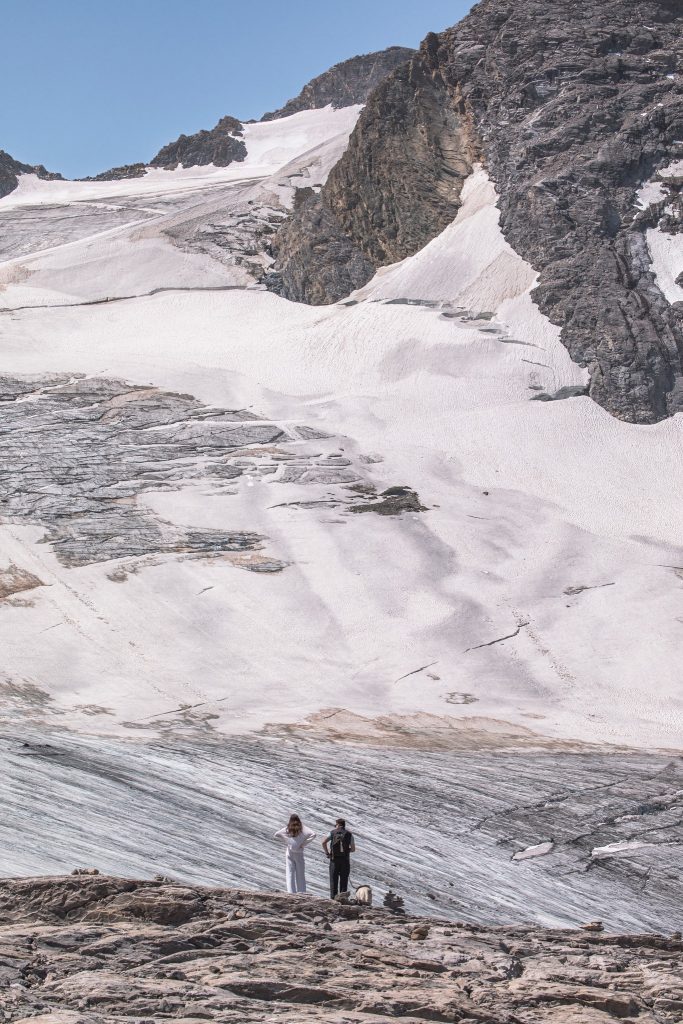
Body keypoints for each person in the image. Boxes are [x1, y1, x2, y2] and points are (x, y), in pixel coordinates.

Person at [274, 814, 316, 894]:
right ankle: (302, 892)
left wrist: (287, 841)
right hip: (299, 853)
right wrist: (303, 843)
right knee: (300, 873)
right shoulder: (303, 828)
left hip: (289, 853)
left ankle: (291, 892)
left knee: (290, 873)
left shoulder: (287, 828)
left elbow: (276, 834)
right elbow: (314, 834)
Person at [322, 817, 355, 898]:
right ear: (343, 825)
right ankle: (342, 899)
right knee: (344, 880)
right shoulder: (349, 834)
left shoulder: (332, 833)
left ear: (337, 825)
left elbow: (323, 842)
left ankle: (333, 899)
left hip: (334, 859)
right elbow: (353, 849)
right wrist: (346, 851)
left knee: (333, 880)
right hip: (345, 860)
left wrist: (327, 853)